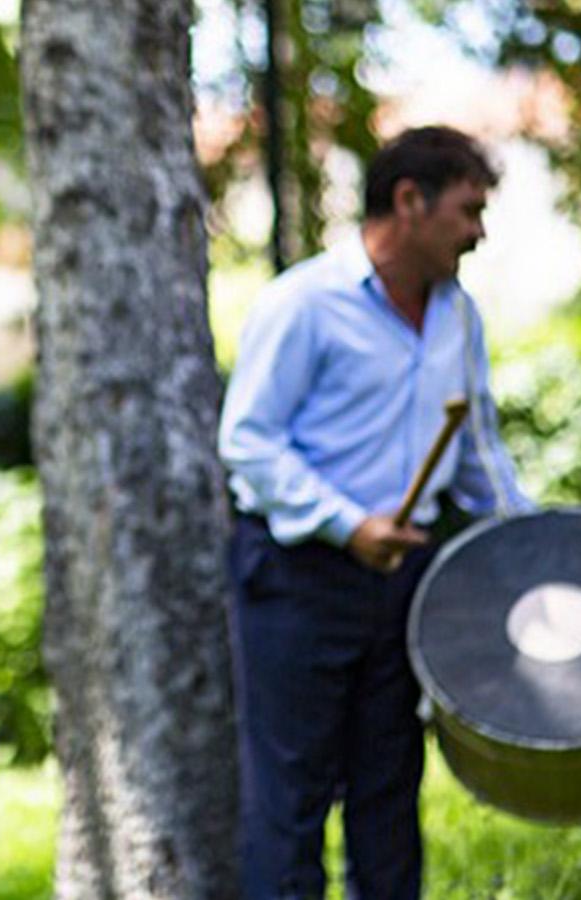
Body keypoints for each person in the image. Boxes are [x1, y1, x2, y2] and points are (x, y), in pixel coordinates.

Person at [217, 125, 532, 899]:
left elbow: (480, 456)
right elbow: (248, 442)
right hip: (297, 578)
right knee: (289, 802)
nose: (479, 233)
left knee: (389, 791)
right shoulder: (303, 303)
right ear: (408, 202)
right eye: (468, 210)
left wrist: (535, 546)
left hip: (406, 581)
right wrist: (347, 525)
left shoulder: (459, 316)